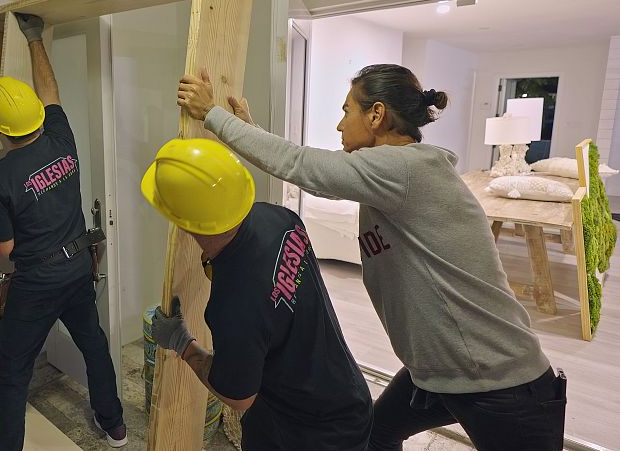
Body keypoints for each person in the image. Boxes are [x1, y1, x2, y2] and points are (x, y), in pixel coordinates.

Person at [175, 64, 568, 450]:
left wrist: (213, 115)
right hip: (437, 374)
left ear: (376, 114)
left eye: (347, 111)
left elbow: (302, 165)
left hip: (503, 383)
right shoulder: (390, 174)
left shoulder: (407, 168)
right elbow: (315, 168)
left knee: (377, 435)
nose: (340, 125)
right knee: (377, 435)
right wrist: (251, 130)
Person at [143, 138, 372, 451]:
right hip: (345, 391)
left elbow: (238, 398)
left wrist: (183, 343)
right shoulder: (280, 218)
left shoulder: (234, 307)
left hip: (311, 434)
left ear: (181, 222)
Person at [0, 13, 126, 450]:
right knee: (94, 346)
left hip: (37, 284)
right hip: (78, 271)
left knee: (10, 375)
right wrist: (33, 37)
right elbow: (51, 91)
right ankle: (115, 425)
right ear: (36, 118)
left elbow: (4, 251)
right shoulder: (61, 137)